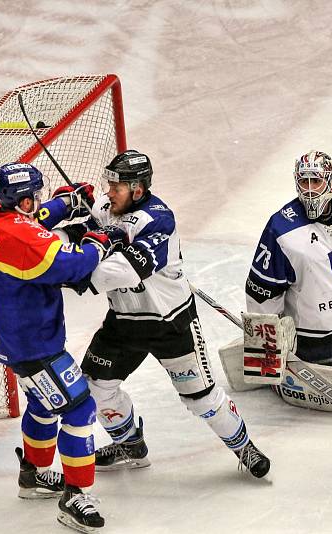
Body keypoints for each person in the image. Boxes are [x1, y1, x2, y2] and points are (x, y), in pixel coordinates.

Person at [63, 149, 271, 479]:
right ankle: (129, 444)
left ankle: (243, 447)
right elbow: (77, 234)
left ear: (138, 190)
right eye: (108, 185)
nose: (107, 193)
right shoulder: (106, 208)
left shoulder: (159, 218)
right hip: (123, 323)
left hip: (169, 323)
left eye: (115, 187)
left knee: (200, 399)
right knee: (95, 388)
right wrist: (43, 245)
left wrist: (63, 272)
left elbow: (123, 272)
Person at [0, 162, 124, 531]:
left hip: (8, 335)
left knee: (43, 402)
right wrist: (98, 242)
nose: (38, 201)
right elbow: (71, 267)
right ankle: (75, 496)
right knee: (79, 407)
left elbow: (31, 220)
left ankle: (34, 475)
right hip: (33, 343)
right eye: (34, 196)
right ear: (21, 200)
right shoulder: (21, 240)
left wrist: (64, 205)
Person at [232, 150, 332, 413]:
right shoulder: (282, 228)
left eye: (315, 181)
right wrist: (268, 346)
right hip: (315, 338)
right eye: (304, 182)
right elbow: (261, 290)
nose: (308, 190)